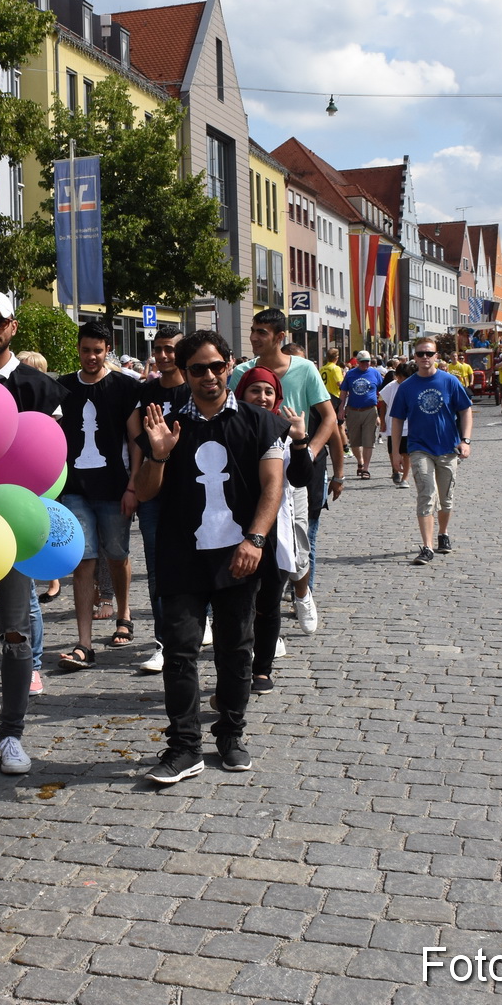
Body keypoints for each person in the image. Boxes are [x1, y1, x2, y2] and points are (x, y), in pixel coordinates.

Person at [134, 330, 288, 783]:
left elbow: (272, 486)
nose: (208, 376)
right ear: (184, 371)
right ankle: (184, 747)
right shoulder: (163, 421)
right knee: (180, 652)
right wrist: (158, 457)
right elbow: (144, 492)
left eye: (216, 366)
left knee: (235, 652)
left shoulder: (260, 422)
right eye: (197, 368)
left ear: (229, 365)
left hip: (239, 556)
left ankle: (231, 734)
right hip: (182, 555)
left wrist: (255, 540)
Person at [0, 290, 69, 773]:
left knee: (15, 633)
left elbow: (50, 462)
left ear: (13, 326)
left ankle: (12, 736)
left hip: (15, 529)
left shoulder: (40, 388)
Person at [232, 309, 338, 633]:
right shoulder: (241, 373)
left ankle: (303, 594)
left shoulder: (305, 370)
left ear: (279, 338)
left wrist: (307, 451)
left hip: (295, 472)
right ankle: (261, 617)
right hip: (255, 473)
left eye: (261, 332)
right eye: (252, 330)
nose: (253, 337)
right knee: (257, 541)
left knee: (298, 543)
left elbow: (330, 418)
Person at [56, 321, 141, 668]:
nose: (91, 356)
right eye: (85, 349)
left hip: (114, 487)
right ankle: (84, 643)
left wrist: (133, 484)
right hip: (75, 488)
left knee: (117, 556)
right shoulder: (62, 387)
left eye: (97, 350)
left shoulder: (124, 386)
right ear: (78, 349)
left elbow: (135, 440)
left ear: (108, 350)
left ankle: (124, 613)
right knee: (83, 561)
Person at [236, 366, 312, 698]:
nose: (262, 397)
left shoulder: (284, 430)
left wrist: (299, 439)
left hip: (275, 531)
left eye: (268, 391)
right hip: (234, 529)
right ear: (242, 394)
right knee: (237, 603)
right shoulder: (230, 427)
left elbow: (302, 477)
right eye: (255, 391)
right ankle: (237, 665)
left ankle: (262, 668)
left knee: (268, 603)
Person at [127, 327, 187, 675]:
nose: (163, 356)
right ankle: (164, 642)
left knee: (195, 562)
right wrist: (134, 483)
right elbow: (135, 440)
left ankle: (199, 626)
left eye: (170, 350)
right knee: (157, 568)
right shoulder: (145, 391)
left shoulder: (193, 386)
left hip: (190, 490)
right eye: (159, 349)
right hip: (153, 490)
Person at [389, 337, 474, 565]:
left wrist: (465, 440)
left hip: (447, 447)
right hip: (419, 448)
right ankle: (426, 547)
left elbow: (465, 410)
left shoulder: (450, 381)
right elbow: (397, 419)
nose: (425, 358)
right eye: (420, 354)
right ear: (414, 358)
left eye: (429, 353)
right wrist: (397, 451)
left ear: (437, 356)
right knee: (426, 495)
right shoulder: (406, 387)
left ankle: (443, 533)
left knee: (446, 498)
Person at [339, 351, 385, 480]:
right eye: (363, 361)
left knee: (368, 441)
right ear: (358, 362)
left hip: (370, 410)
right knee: (354, 441)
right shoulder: (351, 374)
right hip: (353, 410)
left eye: (368, 361)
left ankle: (366, 468)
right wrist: (341, 409)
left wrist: (381, 411)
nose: (366, 364)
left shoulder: (375, 373)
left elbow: (383, 389)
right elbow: (343, 393)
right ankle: (360, 461)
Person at [377, 361, 412, 487]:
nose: (401, 380)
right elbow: (383, 404)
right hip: (392, 423)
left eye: (404, 377)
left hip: (408, 425)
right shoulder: (391, 386)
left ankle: (405, 477)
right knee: (393, 451)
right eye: (400, 377)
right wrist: (382, 422)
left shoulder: (411, 386)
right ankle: (395, 469)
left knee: (407, 453)